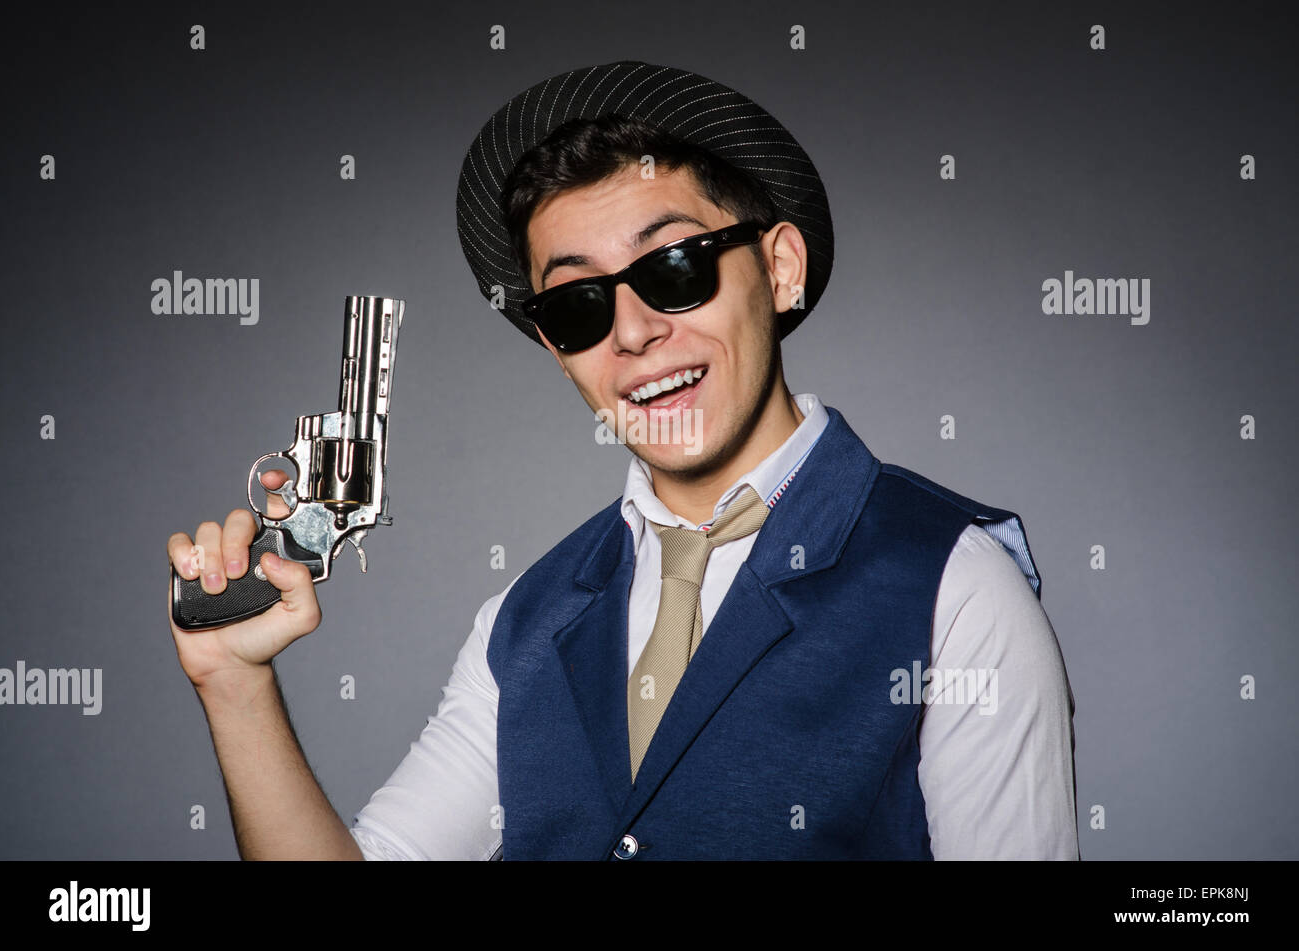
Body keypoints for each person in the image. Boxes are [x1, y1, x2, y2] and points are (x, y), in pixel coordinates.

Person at [167, 60, 1078, 860]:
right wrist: (235, 683)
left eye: (675, 265)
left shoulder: (954, 589)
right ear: (555, 346)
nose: (635, 332)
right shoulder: (522, 623)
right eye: (578, 306)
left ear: (781, 268)